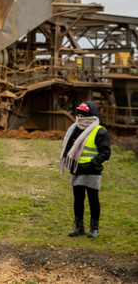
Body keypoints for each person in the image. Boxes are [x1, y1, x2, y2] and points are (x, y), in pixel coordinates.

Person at [60, 100, 111, 238]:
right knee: (78, 199)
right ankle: (79, 227)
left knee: (93, 200)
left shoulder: (100, 131)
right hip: (77, 170)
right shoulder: (75, 128)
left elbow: (105, 153)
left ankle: (94, 229)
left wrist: (91, 164)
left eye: (82, 113)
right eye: (79, 113)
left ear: (90, 115)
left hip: (92, 171)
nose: (79, 116)